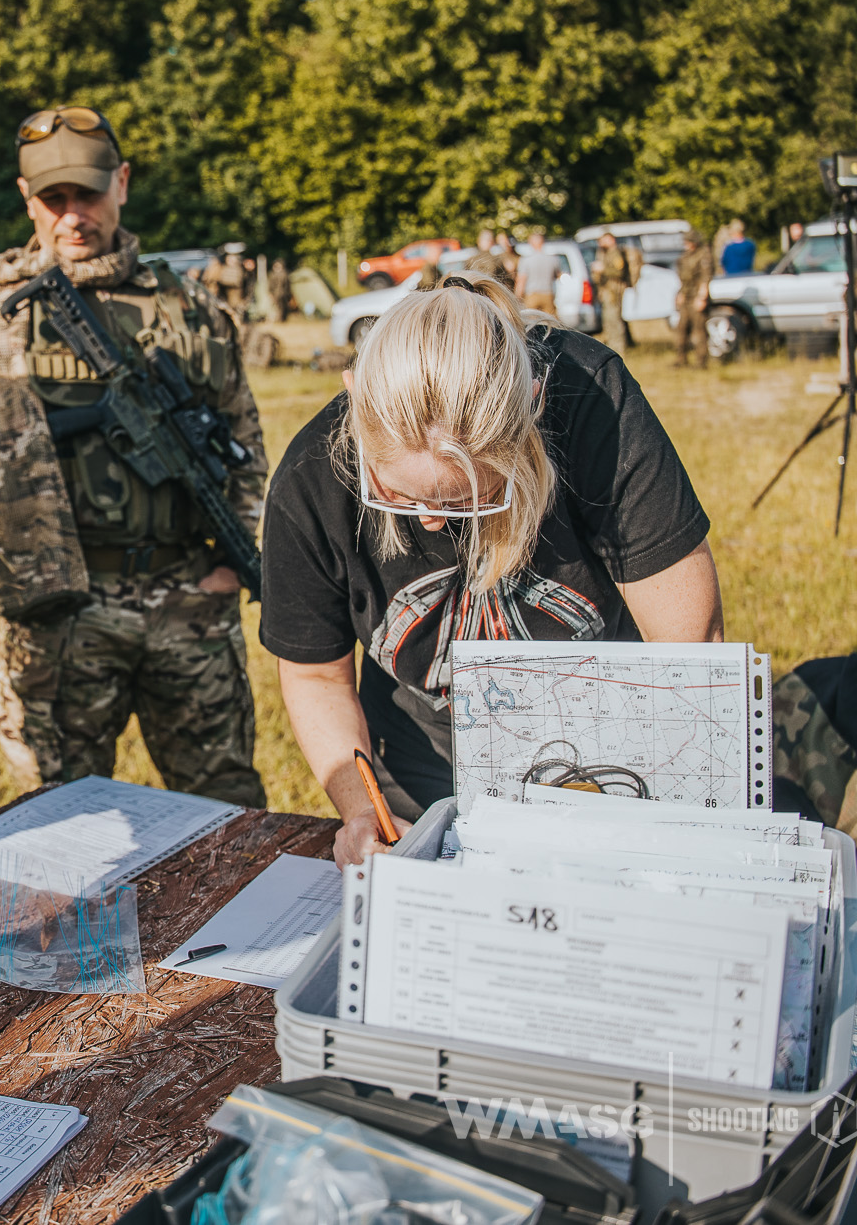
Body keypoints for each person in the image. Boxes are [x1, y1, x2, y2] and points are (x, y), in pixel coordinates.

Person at [258, 274, 723, 866]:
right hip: (422, 756)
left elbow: (691, 650)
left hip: (605, 749)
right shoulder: (310, 479)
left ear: (532, 407)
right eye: (398, 494)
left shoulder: (593, 405)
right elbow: (316, 677)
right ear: (354, 397)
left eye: (464, 498)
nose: (430, 521)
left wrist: (664, 808)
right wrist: (361, 812)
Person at [0, 105, 268, 807]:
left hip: (188, 599)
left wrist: (223, 573)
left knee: (226, 810)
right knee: (65, 823)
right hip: (61, 615)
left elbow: (246, 446)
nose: (71, 215)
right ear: (28, 201)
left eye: (86, 193)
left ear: (121, 182)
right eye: (52, 199)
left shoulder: (195, 312)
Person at [590, 233, 639, 350]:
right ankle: (613, 346)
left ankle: (618, 348)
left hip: (614, 291)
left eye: (603, 240)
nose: (601, 243)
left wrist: (603, 269)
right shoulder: (605, 253)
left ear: (611, 240)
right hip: (607, 292)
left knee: (615, 321)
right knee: (609, 321)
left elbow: (619, 272)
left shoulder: (616, 253)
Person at [676, 231, 716, 367]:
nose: (686, 244)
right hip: (686, 295)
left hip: (697, 296)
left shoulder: (704, 255)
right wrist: (680, 294)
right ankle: (681, 359)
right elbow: (682, 278)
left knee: (698, 330)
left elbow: (706, 278)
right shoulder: (685, 256)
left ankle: (701, 361)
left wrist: (702, 297)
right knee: (681, 328)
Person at [513, 229, 560, 316]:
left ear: (531, 243)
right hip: (548, 294)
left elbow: (521, 280)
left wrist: (517, 297)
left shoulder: (525, 260)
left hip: (532, 295)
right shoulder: (553, 259)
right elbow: (557, 276)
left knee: (532, 323)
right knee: (551, 323)